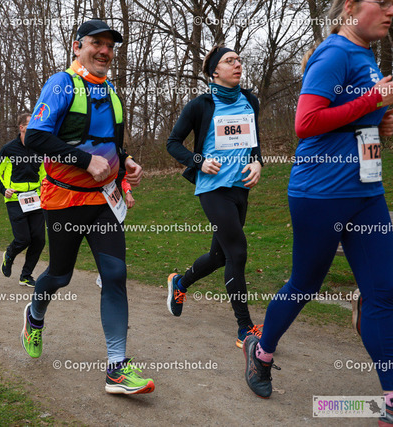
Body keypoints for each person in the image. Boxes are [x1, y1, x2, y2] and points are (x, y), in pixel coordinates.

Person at [242, 3, 393, 424]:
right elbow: (306, 123)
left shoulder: (366, 56)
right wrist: (373, 100)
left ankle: (390, 399)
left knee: (384, 292)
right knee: (305, 284)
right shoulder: (334, 53)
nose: (390, 10)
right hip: (320, 193)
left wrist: (381, 123)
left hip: (366, 192)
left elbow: (354, 121)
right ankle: (261, 352)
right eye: (382, 2)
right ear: (351, 8)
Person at [20, 19, 153, 395]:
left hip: (102, 201)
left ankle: (117, 367)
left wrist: (126, 164)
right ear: (77, 46)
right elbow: (35, 137)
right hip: (64, 199)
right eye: (97, 43)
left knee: (115, 274)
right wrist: (83, 161)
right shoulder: (61, 84)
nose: (105, 51)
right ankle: (34, 315)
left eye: (110, 46)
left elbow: (112, 144)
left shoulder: (112, 93)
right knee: (60, 275)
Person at [166, 45, 264, 348]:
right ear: (214, 72)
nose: (237, 64)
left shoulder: (250, 101)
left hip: (240, 188)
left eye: (239, 60)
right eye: (229, 61)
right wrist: (199, 161)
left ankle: (180, 283)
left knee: (220, 256)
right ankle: (245, 328)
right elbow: (173, 143)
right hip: (213, 189)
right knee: (237, 253)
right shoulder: (200, 105)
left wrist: (258, 162)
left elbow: (254, 142)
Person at [0, 113, 46, 287]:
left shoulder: (40, 148)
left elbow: (44, 173)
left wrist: (44, 191)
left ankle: (26, 275)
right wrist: (4, 190)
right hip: (15, 198)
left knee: (39, 239)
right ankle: (9, 255)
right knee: (23, 239)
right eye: (31, 125)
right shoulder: (8, 149)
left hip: (35, 198)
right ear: (21, 127)